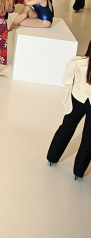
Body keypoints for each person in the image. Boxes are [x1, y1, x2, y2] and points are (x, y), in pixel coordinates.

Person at [47, 41, 91, 180]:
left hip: (77, 99)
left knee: (66, 128)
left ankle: (52, 157)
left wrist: (68, 99)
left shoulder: (77, 61)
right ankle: (79, 171)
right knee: (89, 139)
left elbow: (67, 80)